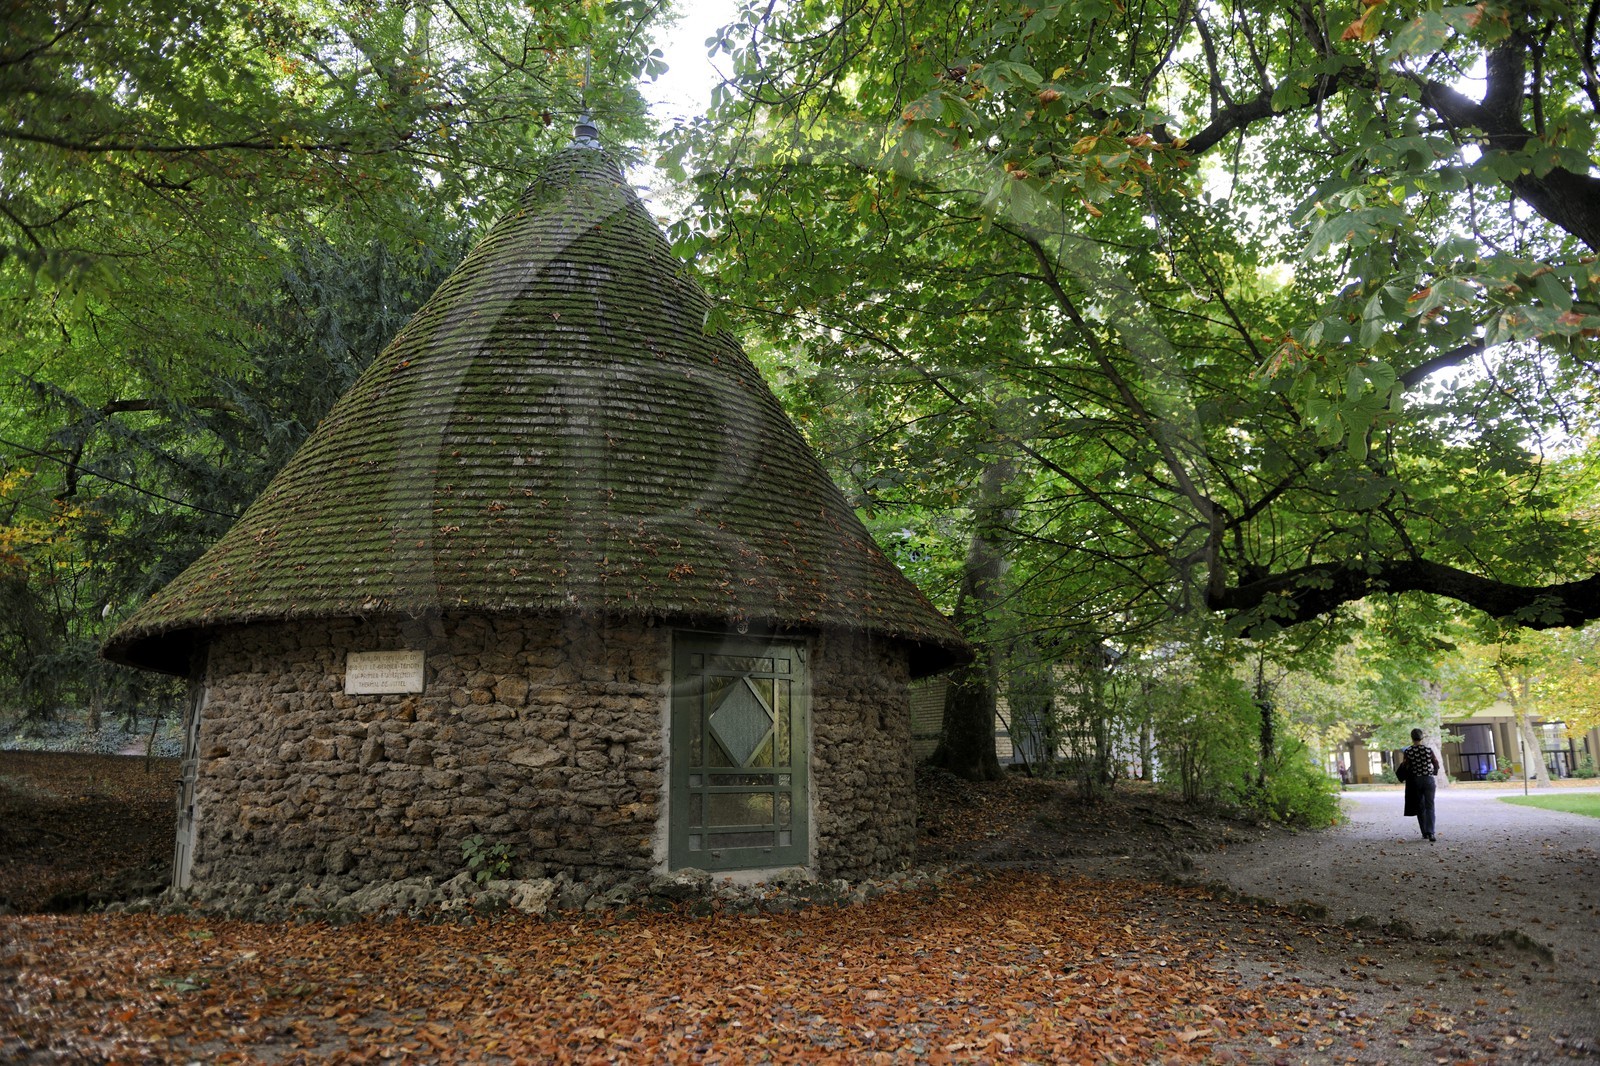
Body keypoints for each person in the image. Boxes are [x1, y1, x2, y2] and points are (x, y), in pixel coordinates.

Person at [1401, 727, 1441, 842]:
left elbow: (1405, 766)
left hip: (1415, 781)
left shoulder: (1408, 751)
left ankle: (1424, 832)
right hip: (1428, 780)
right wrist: (1433, 772)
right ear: (1421, 737)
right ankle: (1431, 833)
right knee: (1430, 806)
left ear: (1412, 738)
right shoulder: (1428, 750)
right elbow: (1436, 763)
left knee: (1420, 807)